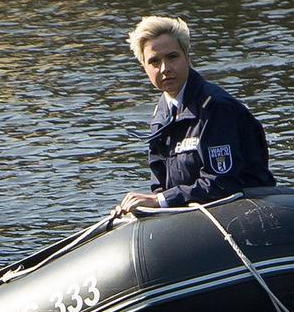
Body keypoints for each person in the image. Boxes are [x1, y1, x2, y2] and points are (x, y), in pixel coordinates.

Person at [116, 16, 275, 215]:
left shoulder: (216, 108)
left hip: (246, 214)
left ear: (187, 57)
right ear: (144, 68)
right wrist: (144, 206)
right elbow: (160, 185)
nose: (165, 69)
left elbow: (222, 183)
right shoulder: (162, 115)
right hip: (192, 220)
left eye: (172, 57)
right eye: (154, 61)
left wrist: (160, 201)